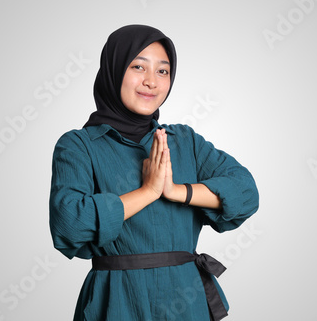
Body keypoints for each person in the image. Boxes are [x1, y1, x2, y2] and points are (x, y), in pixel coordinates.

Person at [49, 24, 259, 321]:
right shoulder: (79, 146)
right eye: (138, 67)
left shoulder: (184, 141)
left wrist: (177, 191)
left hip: (187, 301)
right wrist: (147, 192)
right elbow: (69, 223)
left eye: (163, 71)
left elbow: (246, 192)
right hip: (118, 299)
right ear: (113, 70)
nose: (152, 82)